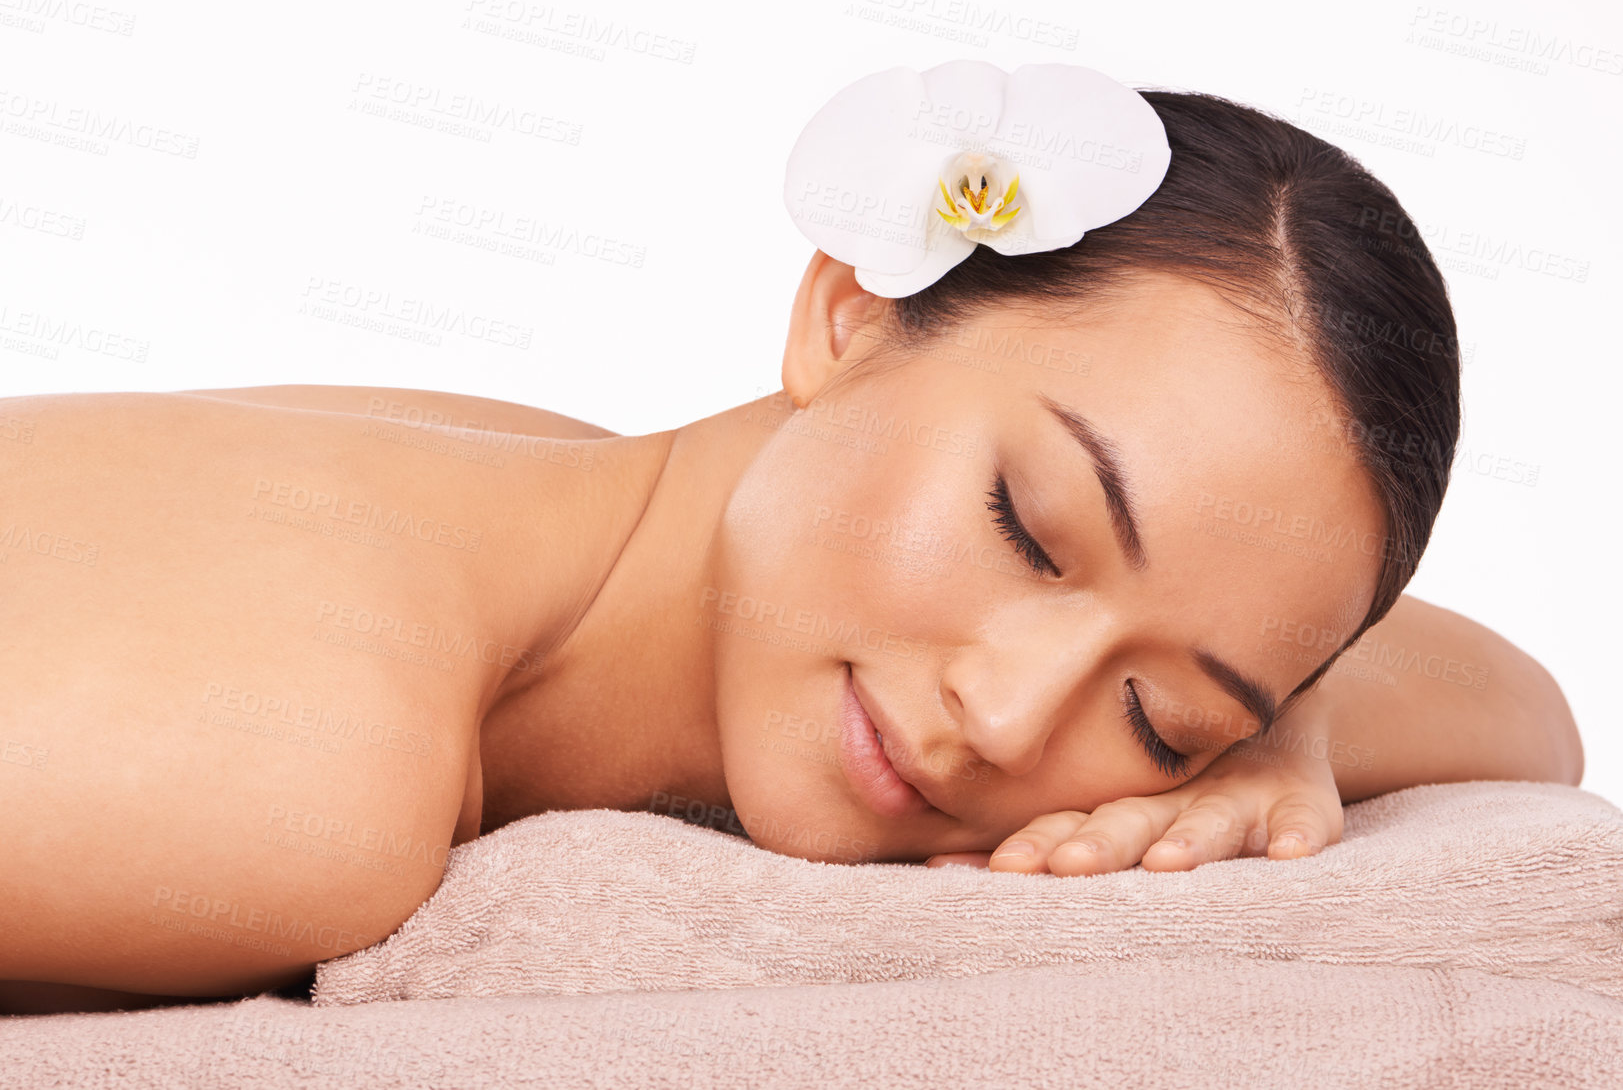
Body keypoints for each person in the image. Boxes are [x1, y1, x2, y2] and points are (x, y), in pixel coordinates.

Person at [0, 68, 1583, 1015]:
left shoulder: (527, 488)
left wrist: (1274, 737)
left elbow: (1523, 709)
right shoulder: (316, 764)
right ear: (845, 311)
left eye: (1155, 712)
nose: (1016, 718)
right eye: (1028, 532)